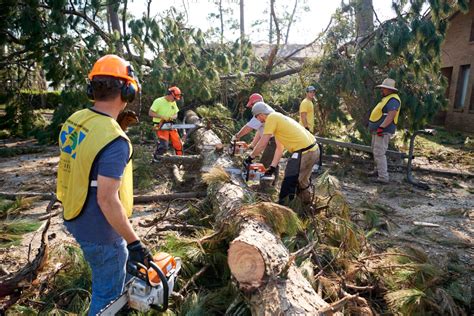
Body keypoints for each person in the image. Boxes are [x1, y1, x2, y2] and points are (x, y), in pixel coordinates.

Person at [57, 54, 152, 315]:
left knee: (106, 276)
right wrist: (134, 243)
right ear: (127, 90)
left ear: (92, 89)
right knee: (107, 298)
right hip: (100, 230)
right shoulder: (115, 140)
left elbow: (83, 160)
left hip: (74, 213)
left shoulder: (76, 119)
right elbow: (107, 200)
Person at [246, 102, 320, 206]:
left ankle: (282, 207)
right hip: (314, 149)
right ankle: (306, 206)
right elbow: (279, 148)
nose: (258, 120)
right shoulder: (278, 119)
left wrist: (250, 157)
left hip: (304, 151)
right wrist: (272, 167)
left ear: (261, 114)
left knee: (289, 180)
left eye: (257, 117)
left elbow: (263, 142)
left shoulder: (271, 118)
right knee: (302, 181)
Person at [368, 78, 402, 183]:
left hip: (382, 131)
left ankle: (383, 177)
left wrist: (381, 127)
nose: (382, 90)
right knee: (376, 151)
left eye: (384, 88)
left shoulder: (393, 100)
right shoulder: (388, 99)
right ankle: (378, 171)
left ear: (390, 90)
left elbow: (391, 114)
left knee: (379, 153)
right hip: (379, 130)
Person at [232, 93, 277, 168]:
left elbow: (249, 127)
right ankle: (273, 179)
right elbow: (259, 130)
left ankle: (265, 180)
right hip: (272, 140)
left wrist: (237, 136)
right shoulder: (264, 110)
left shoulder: (261, 114)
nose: (251, 107)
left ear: (257, 102)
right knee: (272, 163)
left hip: (273, 141)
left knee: (264, 165)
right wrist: (253, 144)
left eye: (252, 105)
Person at [149, 86, 183, 157]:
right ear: (170, 94)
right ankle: (156, 159)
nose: (175, 100)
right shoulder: (158, 101)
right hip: (159, 125)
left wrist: (172, 117)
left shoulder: (173, 102)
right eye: (174, 98)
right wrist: (162, 117)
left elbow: (176, 114)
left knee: (178, 143)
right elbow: (150, 113)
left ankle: (180, 159)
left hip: (169, 124)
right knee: (164, 146)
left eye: (176, 99)